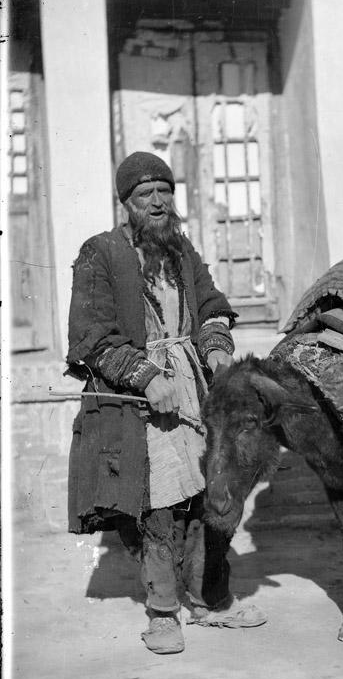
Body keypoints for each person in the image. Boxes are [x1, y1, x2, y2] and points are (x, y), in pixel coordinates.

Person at [66, 151, 265, 654]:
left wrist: (217, 350)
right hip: (140, 400)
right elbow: (91, 336)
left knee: (207, 495)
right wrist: (144, 375)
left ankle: (210, 598)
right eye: (144, 195)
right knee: (158, 504)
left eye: (164, 192)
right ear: (126, 203)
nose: (157, 202)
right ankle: (162, 612)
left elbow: (212, 304)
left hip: (194, 389)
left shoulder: (180, 248)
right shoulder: (101, 254)